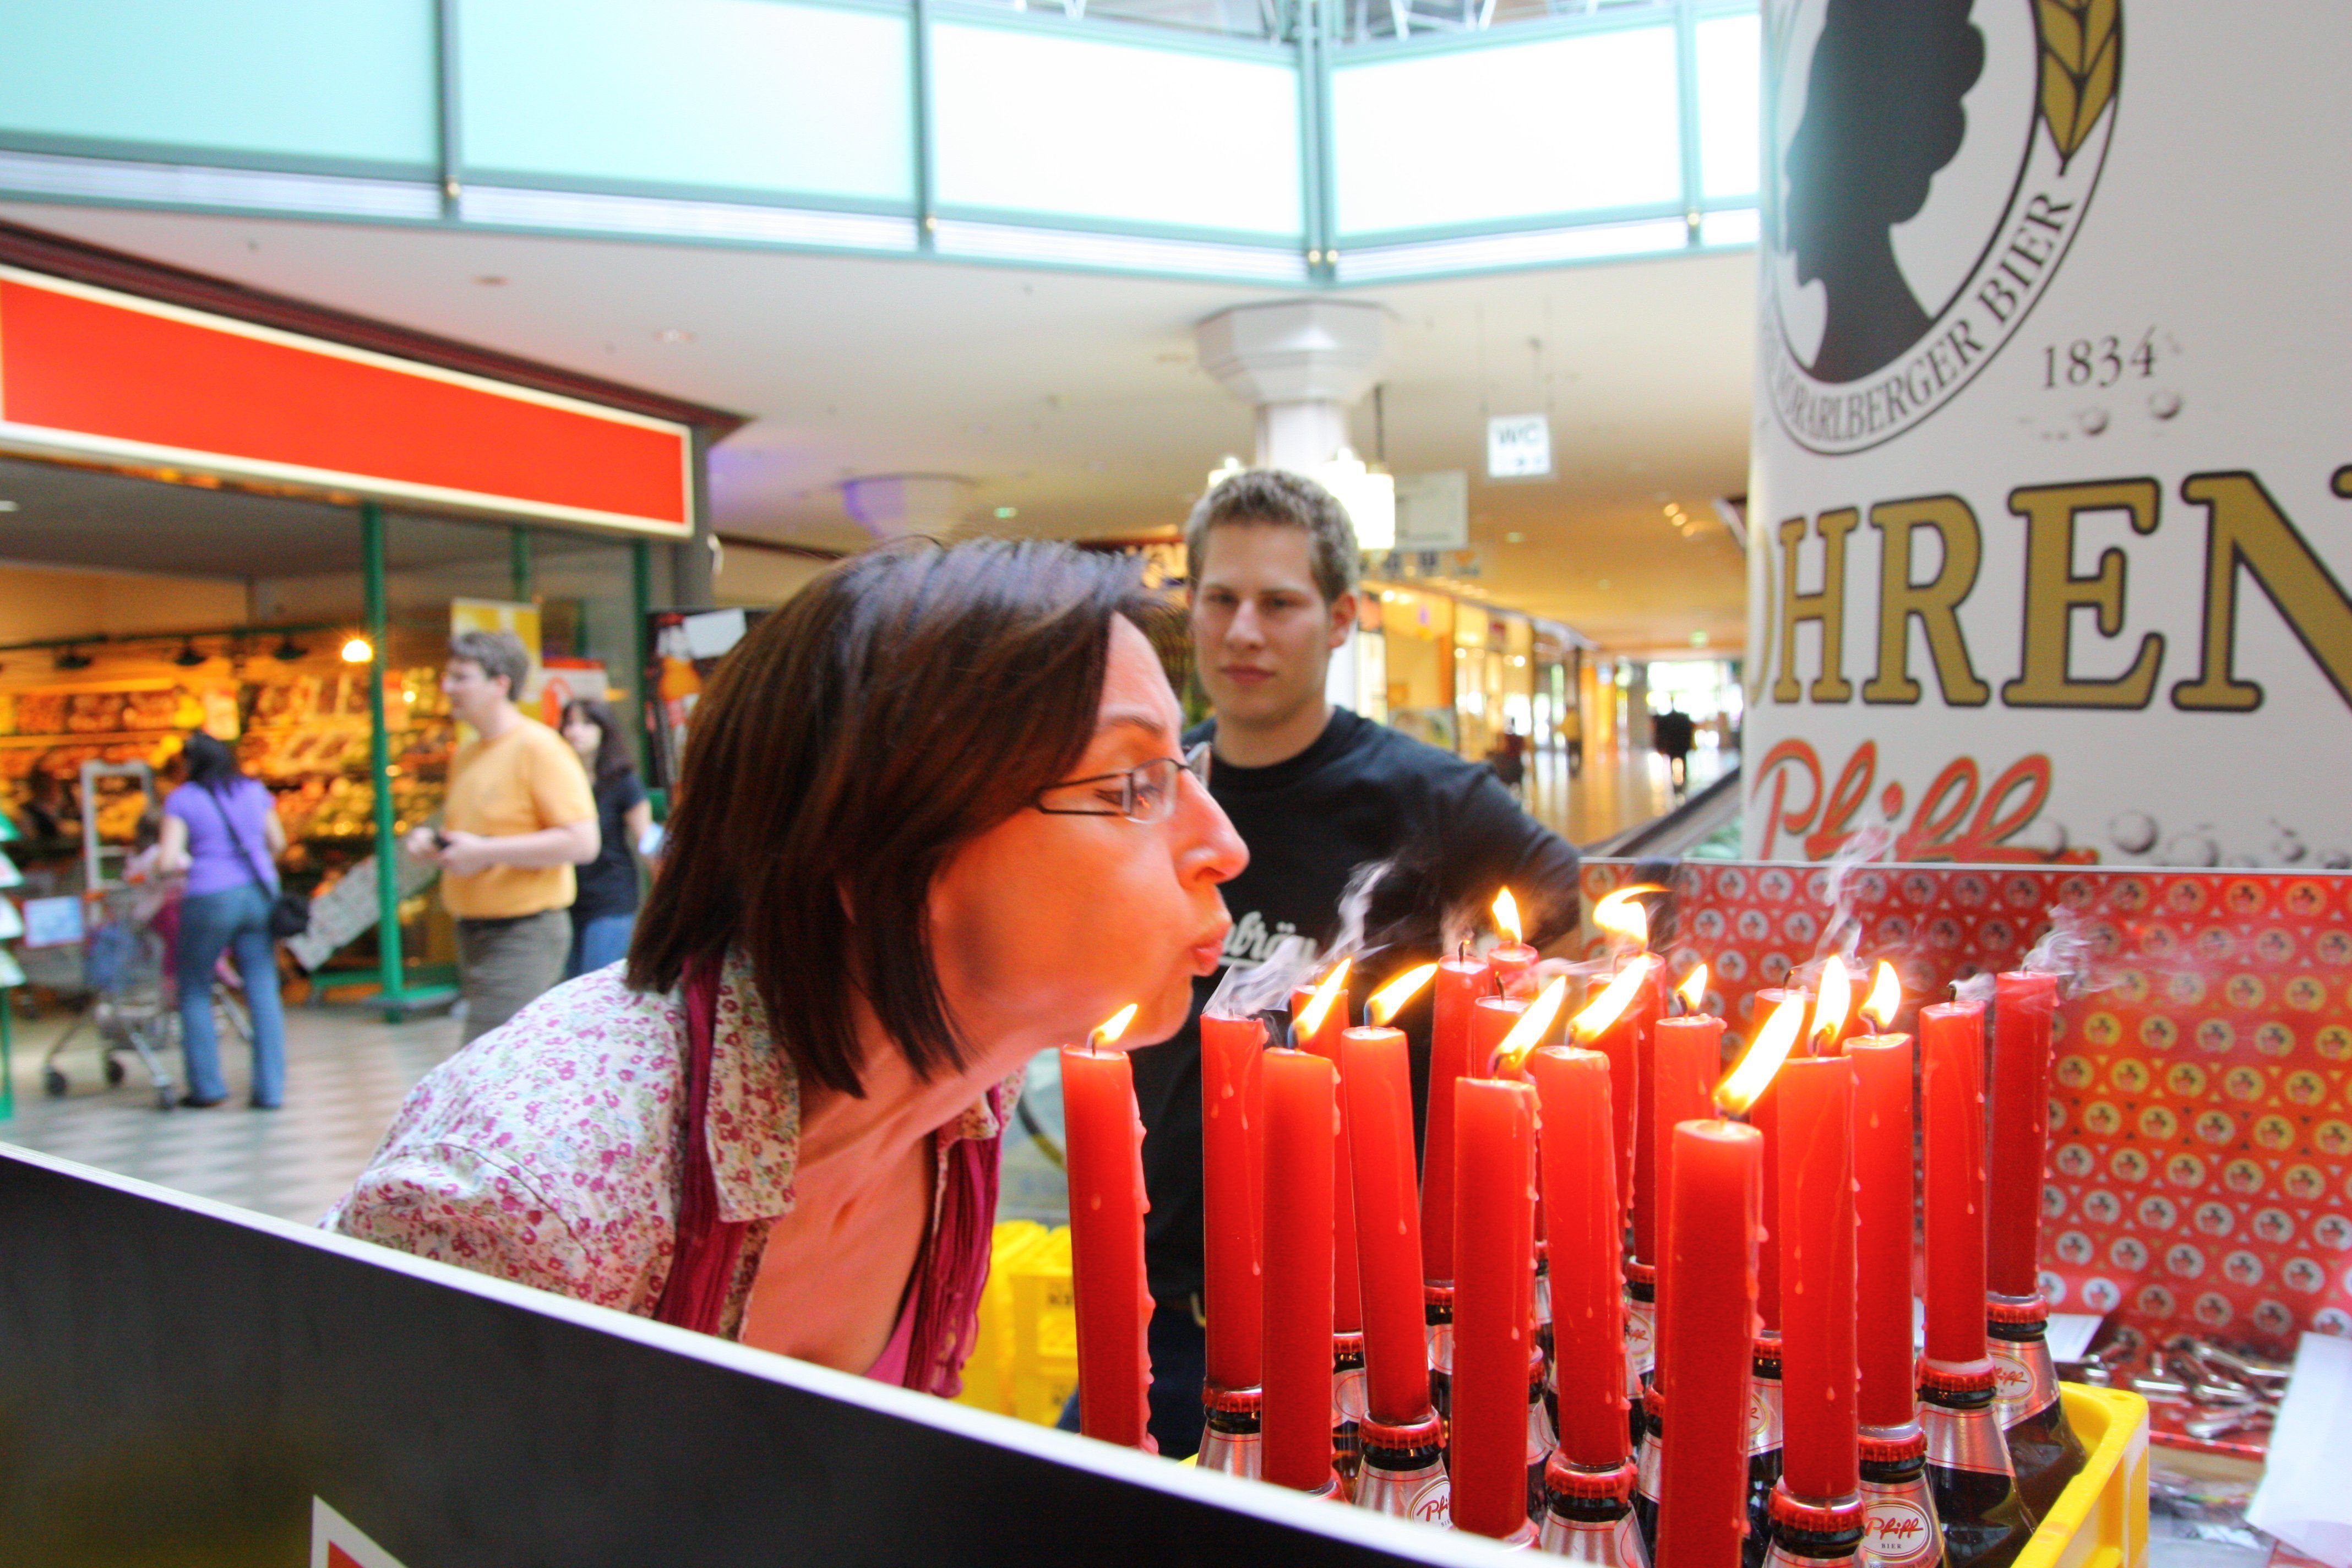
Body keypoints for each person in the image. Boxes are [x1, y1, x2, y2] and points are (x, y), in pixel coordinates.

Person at [330, 541, 1246, 1397]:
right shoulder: (535, 1207)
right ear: (880, 847)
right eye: (1131, 786)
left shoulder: (962, 1094)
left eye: (1184, 769)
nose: (1225, 845)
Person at [1117, 470, 1582, 1456]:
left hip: (1359, 1309)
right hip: (1165, 1292)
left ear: (1338, 620)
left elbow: (1568, 918)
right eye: (1220, 598)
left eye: (1278, 603)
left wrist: (1522, 1000)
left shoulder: (1427, 797)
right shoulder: (1158, 791)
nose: (1244, 631)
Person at [404, 630, 599, 1044]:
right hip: (473, 929)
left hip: (524, 932)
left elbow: (583, 842)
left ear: (500, 684)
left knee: (484, 1058)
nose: (448, 687)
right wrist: (436, 843)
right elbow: (477, 836)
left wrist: (486, 852)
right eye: (447, 676)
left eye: (462, 677)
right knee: (511, 1060)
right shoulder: (467, 754)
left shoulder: (539, 748)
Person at [154, 732, 288, 1109]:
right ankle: (270, 1091)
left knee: (195, 987)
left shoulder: (182, 799)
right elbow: (278, 842)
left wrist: (159, 869)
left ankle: (207, 1087)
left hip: (209, 897)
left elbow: (167, 860)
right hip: (259, 893)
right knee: (262, 986)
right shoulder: (254, 791)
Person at [558, 695, 652, 979]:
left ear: (604, 730)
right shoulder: (556, 781)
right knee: (570, 988)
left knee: (595, 982)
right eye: (570, 724)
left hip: (611, 898)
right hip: (564, 899)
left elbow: (646, 838)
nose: (576, 732)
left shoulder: (623, 781)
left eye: (587, 724)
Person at [1653, 705, 1696, 796]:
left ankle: (1677, 784)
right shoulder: (1683, 719)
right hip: (1682, 745)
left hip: (1672, 746)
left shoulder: (1667, 720)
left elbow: (1662, 734)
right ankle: (1683, 782)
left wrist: (1661, 746)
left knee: (1674, 762)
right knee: (1683, 762)